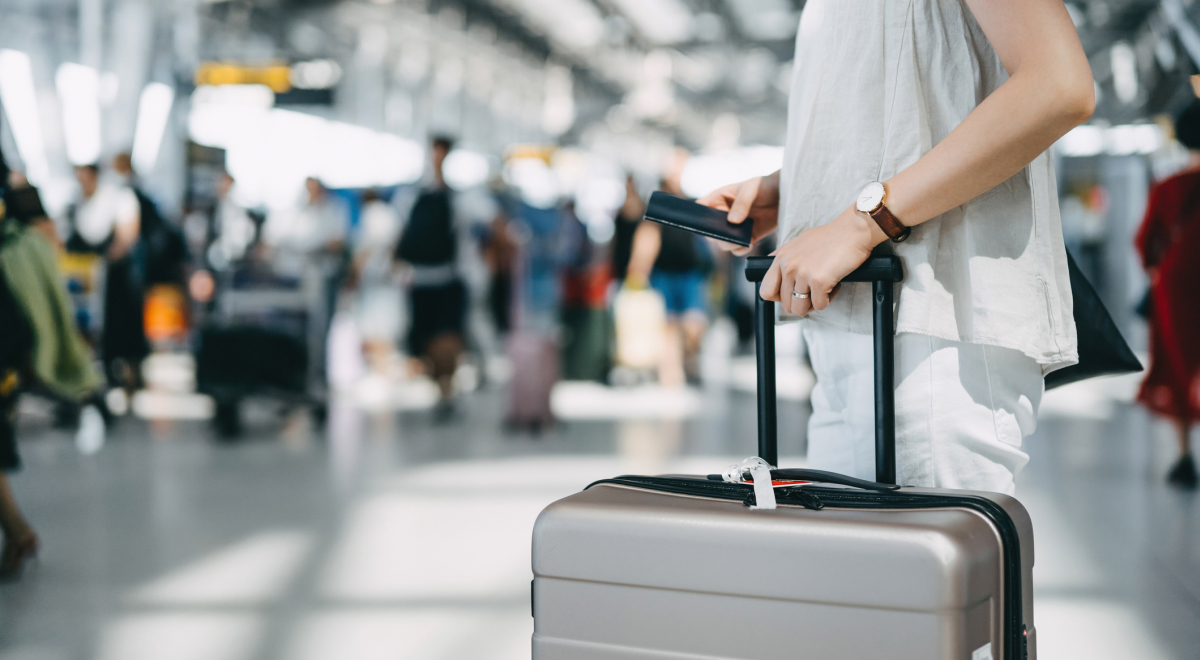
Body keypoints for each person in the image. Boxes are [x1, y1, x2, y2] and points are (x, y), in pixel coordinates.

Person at [699, 0, 1094, 495]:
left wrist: (862, 223)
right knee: (868, 565)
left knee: (925, 564)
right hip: (855, 330)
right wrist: (797, 186)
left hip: (931, 328)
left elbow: (1057, 85)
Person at [1135, 100, 1200, 490]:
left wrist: (1156, 270)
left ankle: (1183, 455)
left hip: (1176, 287)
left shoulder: (1168, 185)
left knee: (1180, 363)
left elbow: (1145, 241)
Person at [394, 137, 468, 420]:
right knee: (432, 340)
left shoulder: (446, 196)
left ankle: (445, 389)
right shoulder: (422, 195)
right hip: (427, 278)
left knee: (444, 338)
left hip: (441, 278)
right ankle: (443, 388)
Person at [65, 163, 148, 390]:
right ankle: (107, 374)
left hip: (119, 277)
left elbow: (127, 235)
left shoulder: (118, 197)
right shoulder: (78, 203)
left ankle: (132, 375)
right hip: (90, 278)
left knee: (125, 327)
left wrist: (106, 261)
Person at [628, 177, 712, 387]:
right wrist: (639, 265)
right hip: (664, 273)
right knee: (668, 325)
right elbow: (648, 236)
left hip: (690, 272)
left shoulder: (692, 204)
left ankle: (691, 360)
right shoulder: (657, 207)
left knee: (694, 324)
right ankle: (671, 373)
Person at [353, 189, 403, 370]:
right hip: (388, 280)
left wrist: (352, 281)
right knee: (386, 328)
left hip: (375, 282)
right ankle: (384, 368)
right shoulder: (390, 214)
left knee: (375, 329)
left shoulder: (370, 216)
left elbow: (363, 252)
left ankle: (381, 369)